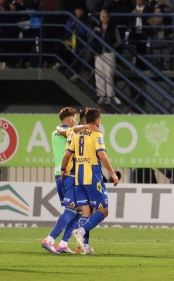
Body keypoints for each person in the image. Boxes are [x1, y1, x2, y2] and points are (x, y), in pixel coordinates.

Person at [61, 108, 120, 255]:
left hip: (78, 178)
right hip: (92, 176)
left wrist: (63, 170)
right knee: (103, 211)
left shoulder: (76, 133)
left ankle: (85, 246)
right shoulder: (96, 133)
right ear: (97, 120)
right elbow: (102, 155)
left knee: (86, 212)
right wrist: (112, 173)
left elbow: (67, 154)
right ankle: (80, 231)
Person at [41, 108, 86, 254]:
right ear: (71, 119)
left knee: (78, 211)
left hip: (59, 175)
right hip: (69, 174)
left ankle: (63, 243)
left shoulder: (55, 133)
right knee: (71, 210)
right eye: (75, 118)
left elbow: (62, 129)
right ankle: (49, 239)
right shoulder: (72, 133)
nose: (76, 121)